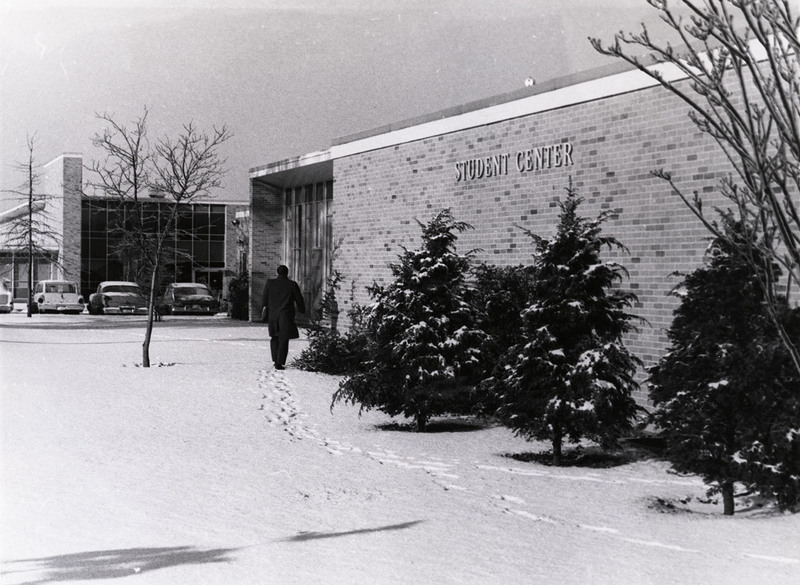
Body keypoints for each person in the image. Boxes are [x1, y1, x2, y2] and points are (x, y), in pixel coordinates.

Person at [261, 265, 306, 370]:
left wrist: (265, 310)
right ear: (287, 273)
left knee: (274, 337)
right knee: (283, 339)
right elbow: (299, 299)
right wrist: (302, 309)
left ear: (277, 273)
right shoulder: (292, 285)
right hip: (285, 315)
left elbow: (264, 298)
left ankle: (275, 359)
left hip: (273, 315)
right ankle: (279, 362)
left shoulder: (270, 283)